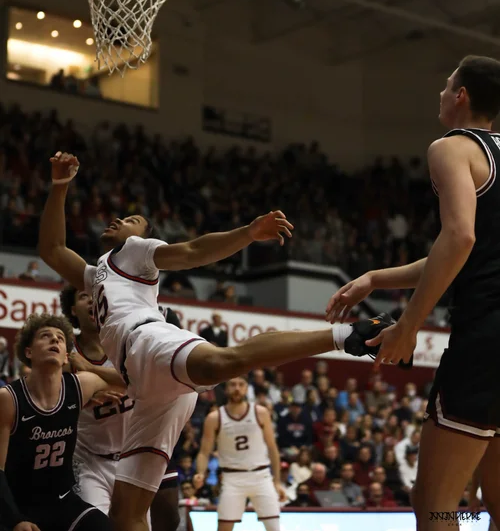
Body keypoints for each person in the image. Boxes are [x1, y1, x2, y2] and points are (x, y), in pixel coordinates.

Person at [39, 151, 400, 531]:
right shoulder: (96, 275)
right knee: (126, 516)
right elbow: (52, 249)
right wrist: (60, 186)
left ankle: (350, 334)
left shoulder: (133, 252)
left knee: (221, 363)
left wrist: (247, 233)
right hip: (143, 385)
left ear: (142, 236)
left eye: (132, 221)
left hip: (146, 341)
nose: (120, 220)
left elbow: (192, 252)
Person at [326, 54, 500, 531]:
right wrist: (376, 278)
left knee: (435, 506)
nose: (440, 94)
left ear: (461, 95)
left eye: (446, 86)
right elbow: (467, 253)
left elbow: (459, 237)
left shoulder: (452, 147)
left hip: (486, 340)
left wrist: (409, 324)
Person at [61, 286, 190, 531]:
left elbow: (142, 379)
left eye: (95, 295)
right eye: (84, 296)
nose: (92, 301)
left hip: (138, 448)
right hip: (91, 458)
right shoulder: (67, 352)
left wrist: (91, 372)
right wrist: (82, 394)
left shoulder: (125, 338)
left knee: (163, 518)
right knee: (98, 526)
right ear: (72, 309)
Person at [0, 313, 121, 531]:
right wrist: (15, 519)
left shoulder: (80, 386)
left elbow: (132, 382)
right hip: (18, 505)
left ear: (66, 356)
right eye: (45, 336)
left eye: (60, 338)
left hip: (62, 501)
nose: (54, 339)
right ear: (28, 352)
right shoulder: (9, 399)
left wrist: (91, 367)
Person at [196, 375, 285, 531]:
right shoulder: (214, 418)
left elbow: (273, 448)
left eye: (241, 384)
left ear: (246, 388)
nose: (237, 388)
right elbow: (204, 452)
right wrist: (200, 473)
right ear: (226, 389)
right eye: (233, 384)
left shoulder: (261, 412)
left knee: (274, 528)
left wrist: (277, 482)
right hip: (232, 479)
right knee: (223, 527)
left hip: (261, 477)